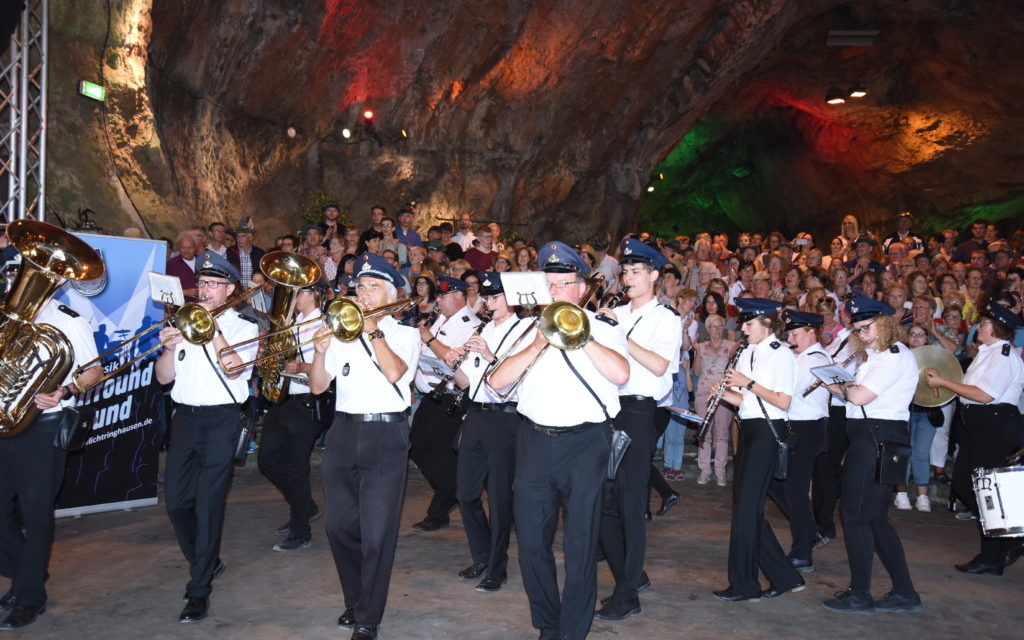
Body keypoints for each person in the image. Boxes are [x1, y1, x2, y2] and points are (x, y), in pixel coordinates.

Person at [489, 241, 629, 640]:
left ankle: (573, 631)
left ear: (581, 288)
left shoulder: (603, 326)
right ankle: (549, 625)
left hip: (585, 444)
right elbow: (498, 382)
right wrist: (536, 343)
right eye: (548, 284)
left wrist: (580, 335)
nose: (555, 292)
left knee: (581, 545)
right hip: (534, 442)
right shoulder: (525, 330)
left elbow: (621, 375)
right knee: (532, 541)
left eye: (563, 283)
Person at [309, 252, 421, 640]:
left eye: (373, 286)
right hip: (342, 432)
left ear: (390, 293)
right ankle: (356, 599)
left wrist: (372, 329)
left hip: (385, 435)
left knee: (377, 531)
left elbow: (395, 373)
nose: (365, 293)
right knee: (338, 527)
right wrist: (321, 352)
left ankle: (367, 617)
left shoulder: (406, 334)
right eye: (360, 286)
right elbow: (318, 386)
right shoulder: (341, 331)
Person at [154, 251, 259, 623]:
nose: (206, 290)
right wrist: (169, 348)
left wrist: (213, 332)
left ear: (230, 290)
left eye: (214, 284)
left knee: (208, 504)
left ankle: (198, 590)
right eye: (203, 283)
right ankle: (207, 560)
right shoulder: (182, 322)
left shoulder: (245, 327)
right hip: (185, 419)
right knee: (177, 504)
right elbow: (164, 379)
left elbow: (234, 368)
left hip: (221, 421)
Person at [0, 291, 102, 630]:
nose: (17, 279)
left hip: (44, 427)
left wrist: (65, 390)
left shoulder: (68, 321)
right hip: (5, 421)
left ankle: (30, 596)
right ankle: (26, 572)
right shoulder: (8, 313)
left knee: (35, 513)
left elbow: (94, 373)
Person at [595, 239, 681, 621]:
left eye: (635, 272)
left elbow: (660, 366)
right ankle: (632, 577)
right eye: (625, 272)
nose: (628, 278)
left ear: (653, 276)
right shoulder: (613, 310)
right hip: (608, 409)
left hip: (639, 412)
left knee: (631, 505)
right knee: (602, 503)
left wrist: (620, 336)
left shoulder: (666, 318)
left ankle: (628, 593)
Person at [822, 297, 922, 614]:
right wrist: (839, 383)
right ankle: (905, 592)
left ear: (883, 323)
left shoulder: (893, 356)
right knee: (875, 520)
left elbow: (859, 396)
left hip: (879, 436)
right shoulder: (876, 356)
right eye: (858, 330)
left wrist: (834, 380)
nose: (862, 336)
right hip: (870, 436)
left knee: (856, 516)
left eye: (866, 329)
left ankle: (861, 594)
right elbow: (853, 397)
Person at [445, 271, 531, 592]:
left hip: (505, 418)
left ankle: (498, 566)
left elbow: (519, 377)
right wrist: (455, 361)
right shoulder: (480, 329)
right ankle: (482, 555)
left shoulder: (525, 330)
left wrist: (489, 355)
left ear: (510, 298)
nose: (490, 303)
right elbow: (466, 383)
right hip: (477, 415)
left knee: (498, 496)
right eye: (487, 297)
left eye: (495, 297)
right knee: (465, 493)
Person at [713, 298, 804, 602]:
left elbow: (783, 401)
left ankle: (745, 585)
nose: (743, 328)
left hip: (769, 433)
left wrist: (747, 383)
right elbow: (745, 402)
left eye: (749, 324)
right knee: (745, 510)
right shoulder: (747, 351)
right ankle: (784, 577)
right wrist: (724, 393)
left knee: (747, 511)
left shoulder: (781, 355)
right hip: (750, 430)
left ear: (766, 324)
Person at [924, 301, 1024, 575]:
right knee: (967, 485)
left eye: (985, 323)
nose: (979, 326)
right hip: (981, 426)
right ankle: (1008, 541)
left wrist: (944, 383)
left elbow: (984, 394)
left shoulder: (1003, 355)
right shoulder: (988, 352)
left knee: (986, 490)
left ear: (999, 328)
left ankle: (994, 554)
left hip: (995, 425)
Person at [257, 280, 327, 552]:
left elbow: (330, 366)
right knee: (267, 461)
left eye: (301, 291)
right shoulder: (290, 321)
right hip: (282, 399)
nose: (294, 296)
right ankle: (304, 506)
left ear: (316, 295)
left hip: (306, 402)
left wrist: (303, 367)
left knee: (296, 467)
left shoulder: (324, 324)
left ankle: (301, 531)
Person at [409, 276, 481, 532]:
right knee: (417, 448)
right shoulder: (440, 318)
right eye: (438, 296)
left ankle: (441, 507)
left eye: (443, 295)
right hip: (431, 394)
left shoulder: (471, 325)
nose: (438, 300)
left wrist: (428, 339)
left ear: (459, 297)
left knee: (440, 454)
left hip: (451, 397)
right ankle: (449, 492)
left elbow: (453, 359)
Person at [768, 310, 831, 572]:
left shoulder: (813, 360)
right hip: (798, 428)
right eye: (790, 334)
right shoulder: (801, 356)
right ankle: (811, 532)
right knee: (774, 482)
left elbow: (785, 391)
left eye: (796, 334)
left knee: (795, 490)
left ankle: (802, 551)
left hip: (807, 429)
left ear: (811, 333)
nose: (791, 339)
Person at [693, 314, 736, 486]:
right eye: (713, 326)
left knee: (722, 434)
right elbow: (696, 372)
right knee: (704, 433)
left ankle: (720, 470)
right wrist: (696, 352)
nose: (717, 330)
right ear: (708, 329)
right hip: (704, 392)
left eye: (719, 326)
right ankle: (704, 469)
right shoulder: (701, 347)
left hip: (724, 394)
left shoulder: (731, 346)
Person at [226, 217, 265, 289]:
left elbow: (264, 274)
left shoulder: (259, 253)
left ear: (250, 237)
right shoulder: (229, 252)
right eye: (237, 236)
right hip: (236, 293)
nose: (239, 239)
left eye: (243, 236)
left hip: (254, 291)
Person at [166, 231, 200, 301]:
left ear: (196, 248)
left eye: (190, 248)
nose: (186, 251)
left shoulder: (203, 262)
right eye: (183, 248)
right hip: (182, 308)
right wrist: (184, 292)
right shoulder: (171, 265)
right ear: (179, 248)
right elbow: (165, 290)